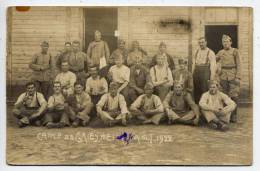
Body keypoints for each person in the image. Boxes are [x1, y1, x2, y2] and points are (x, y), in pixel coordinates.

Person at [216, 34, 241, 123]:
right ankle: (225, 114)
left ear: (231, 42)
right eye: (223, 42)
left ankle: (234, 115)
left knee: (234, 95)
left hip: (233, 74)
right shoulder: (220, 52)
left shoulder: (235, 51)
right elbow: (214, 60)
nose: (225, 43)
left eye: (227, 41)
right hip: (223, 75)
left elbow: (239, 64)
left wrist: (238, 76)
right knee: (224, 95)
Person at [192, 37, 216, 103]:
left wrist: (212, 77)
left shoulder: (210, 52)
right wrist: (192, 73)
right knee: (196, 89)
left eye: (202, 42)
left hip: (205, 72)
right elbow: (194, 63)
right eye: (199, 43)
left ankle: (204, 106)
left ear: (206, 42)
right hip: (196, 71)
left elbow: (213, 66)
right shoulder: (196, 51)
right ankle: (197, 105)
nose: (201, 44)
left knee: (204, 89)